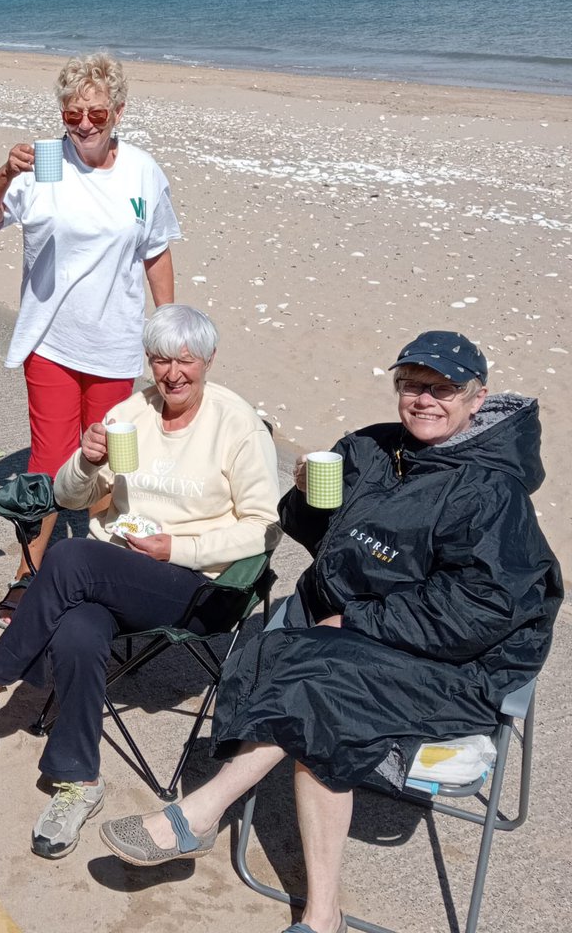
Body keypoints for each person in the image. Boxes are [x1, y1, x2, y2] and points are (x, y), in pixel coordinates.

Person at [98, 330, 562, 933]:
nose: (423, 399)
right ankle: (321, 915)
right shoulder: (373, 449)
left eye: (443, 389)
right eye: (412, 385)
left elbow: (483, 608)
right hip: (358, 637)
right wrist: (309, 498)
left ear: (478, 400)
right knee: (293, 665)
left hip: (460, 661)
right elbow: (327, 540)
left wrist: (361, 618)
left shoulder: (491, 491)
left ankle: (203, 815)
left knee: (318, 693)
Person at [0, 305, 281, 858]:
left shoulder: (235, 423)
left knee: (72, 556)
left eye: (185, 360)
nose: (172, 373)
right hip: (121, 570)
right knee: (77, 629)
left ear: (209, 360)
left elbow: (263, 527)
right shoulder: (134, 413)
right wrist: (85, 459)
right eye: (159, 359)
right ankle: (79, 780)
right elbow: (71, 497)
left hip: (197, 586)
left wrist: (180, 547)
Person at [0, 52, 180, 627]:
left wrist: (169, 325)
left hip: (113, 342)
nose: (84, 123)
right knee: (49, 460)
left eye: (96, 111)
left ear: (118, 110)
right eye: (72, 113)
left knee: (110, 461)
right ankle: (29, 575)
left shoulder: (141, 170)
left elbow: (156, 249)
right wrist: (5, 172)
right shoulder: (42, 163)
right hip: (51, 341)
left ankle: (111, 571)